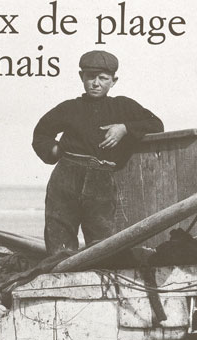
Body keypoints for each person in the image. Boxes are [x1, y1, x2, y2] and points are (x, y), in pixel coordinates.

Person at [32, 50, 164, 254]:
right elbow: (41, 132)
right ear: (81, 77)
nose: (96, 83)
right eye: (90, 77)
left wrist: (125, 128)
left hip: (101, 179)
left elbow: (156, 124)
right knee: (59, 236)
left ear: (114, 81)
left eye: (103, 78)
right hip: (66, 177)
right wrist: (54, 149)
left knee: (102, 241)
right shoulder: (69, 108)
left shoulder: (123, 106)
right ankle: (59, 278)